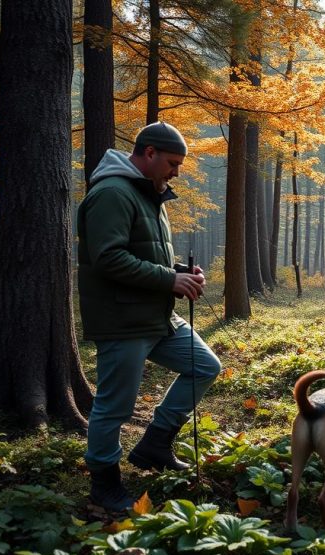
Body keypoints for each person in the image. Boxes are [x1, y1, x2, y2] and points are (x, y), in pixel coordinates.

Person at [77, 121, 221, 512]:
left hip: (156, 314)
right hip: (122, 319)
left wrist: (179, 271)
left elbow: (142, 253)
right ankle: (104, 482)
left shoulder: (146, 194)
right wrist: (168, 278)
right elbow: (108, 258)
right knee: (114, 406)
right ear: (150, 153)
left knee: (205, 366)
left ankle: (154, 444)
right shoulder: (111, 193)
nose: (176, 172)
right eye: (172, 163)